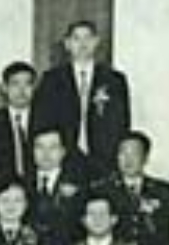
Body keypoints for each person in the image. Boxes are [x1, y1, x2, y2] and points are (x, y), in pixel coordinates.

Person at [36, 21, 132, 165]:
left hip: (104, 159)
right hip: (64, 158)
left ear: (96, 42)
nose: (82, 44)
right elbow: (44, 122)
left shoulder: (114, 80)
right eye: (76, 38)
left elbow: (122, 124)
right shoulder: (52, 80)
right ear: (67, 44)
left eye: (88, 38)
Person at [93, 131, 169, 245]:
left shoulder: (163, 191)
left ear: (145, 158)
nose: (128, 159)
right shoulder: (100, 191)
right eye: (123, 153)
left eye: (134, 153)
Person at [0, 62, 47, 178]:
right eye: (15, 84)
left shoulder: (47, 120)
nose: (21, 91)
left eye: (28, 84)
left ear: (35, 88)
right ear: (4, 88)